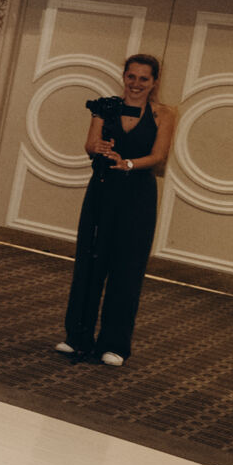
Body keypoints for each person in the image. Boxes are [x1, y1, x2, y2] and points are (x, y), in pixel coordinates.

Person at [58, 53, 177, 367]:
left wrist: (129, 164)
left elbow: (159, 156)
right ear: (124, 77)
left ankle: (114, 345)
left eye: (143, 78)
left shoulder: (164, 114)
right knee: (89, 263)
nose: (136, 84)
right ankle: (77, 337)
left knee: (127, 268)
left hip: (138, 196)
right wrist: (97, 148)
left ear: (154, 82)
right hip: (102, 190)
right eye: (131, 76)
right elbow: (89, 145)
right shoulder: (104, 106)